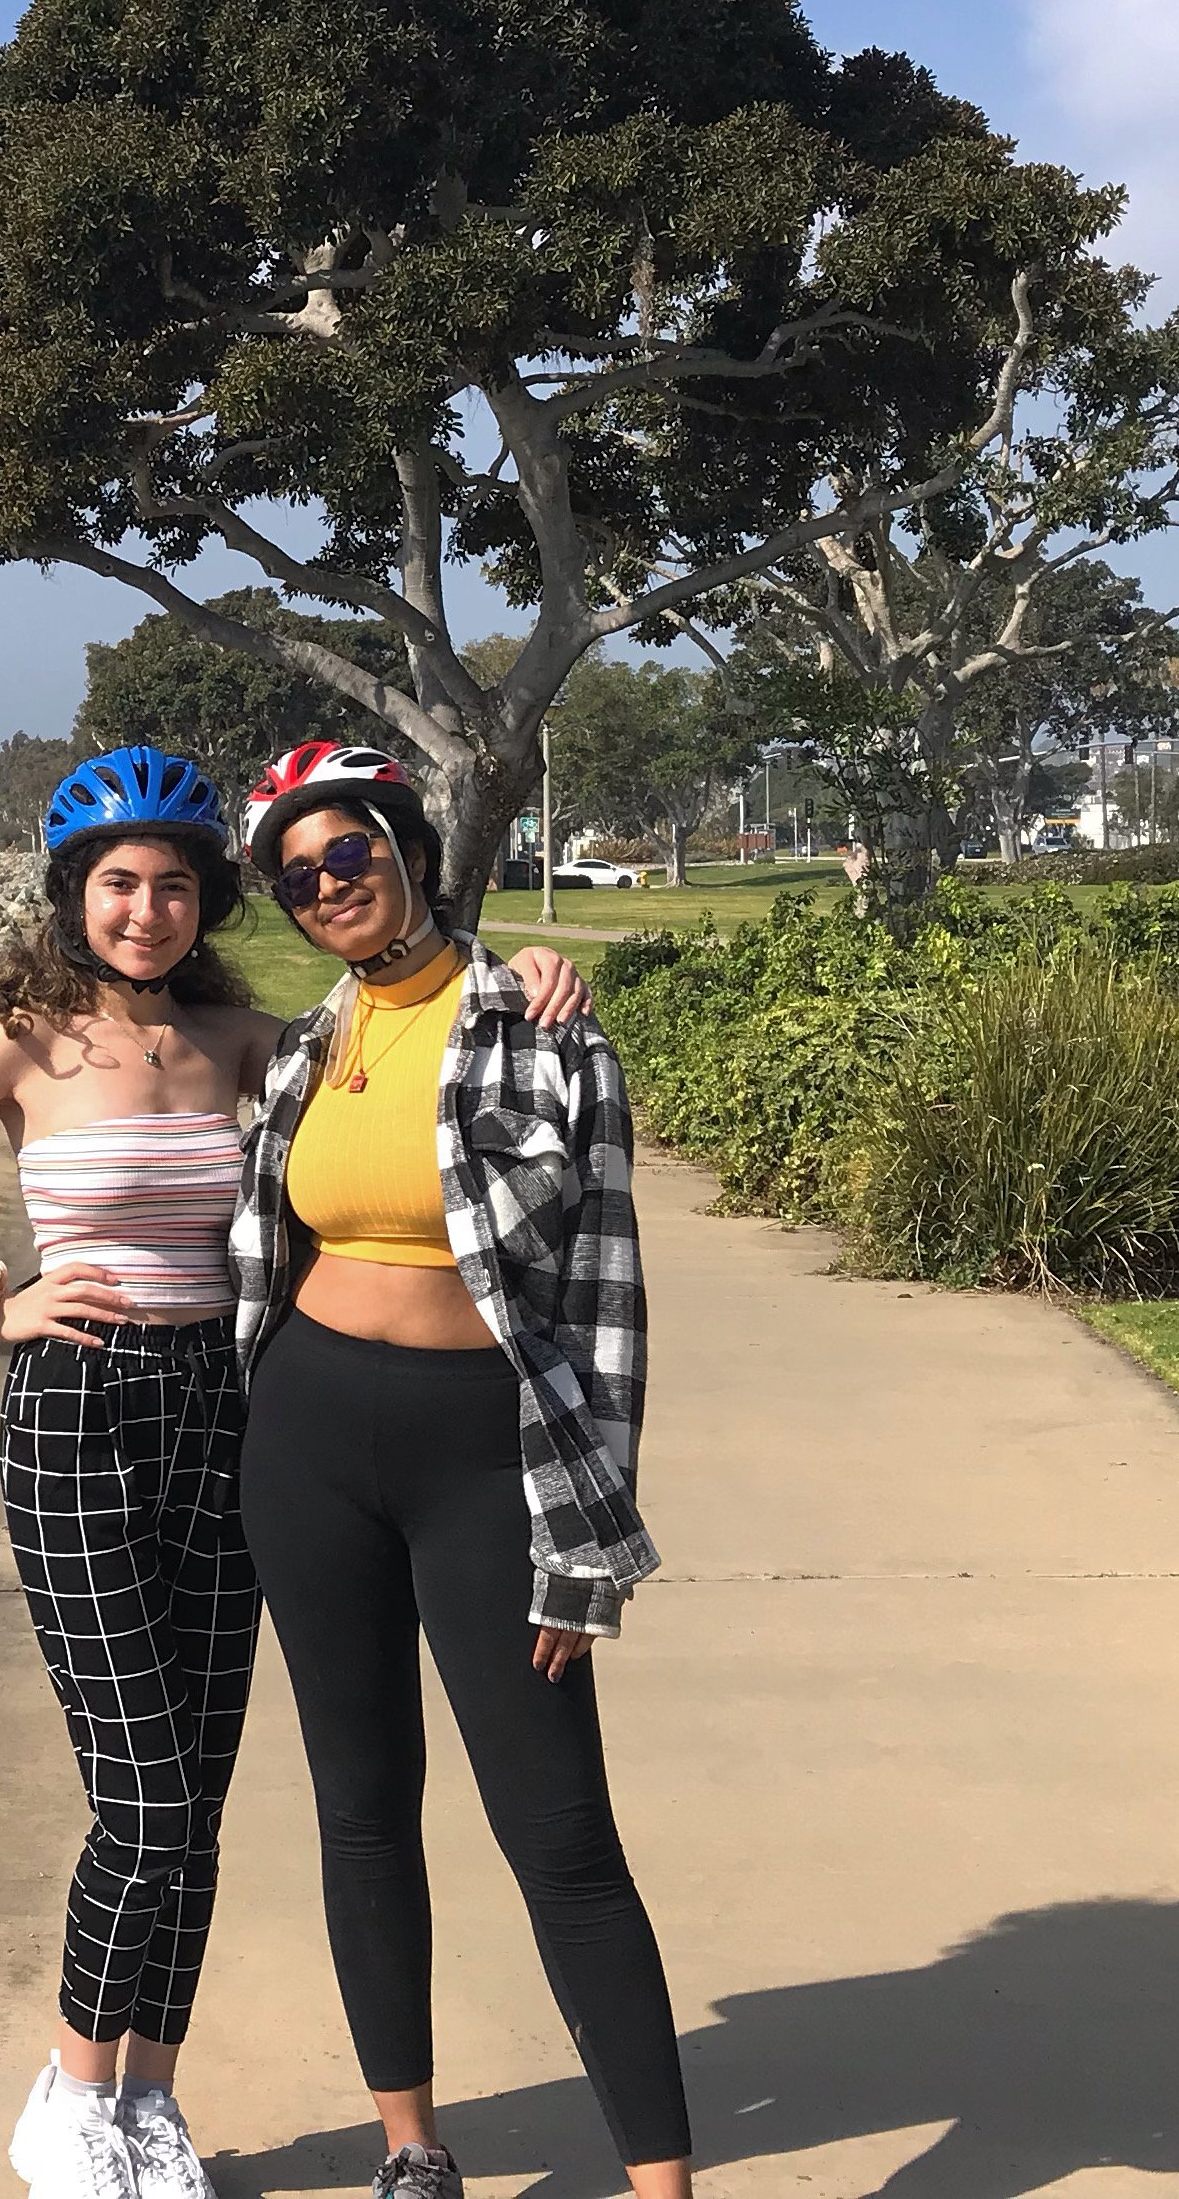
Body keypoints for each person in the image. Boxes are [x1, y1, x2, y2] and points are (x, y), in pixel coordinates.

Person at [0, 745, 587, 2199]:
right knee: (146, 1799)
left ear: (207, 900)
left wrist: (525, 974)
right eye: (118, 886)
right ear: (73, 896)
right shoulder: (24, 1041)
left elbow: (398, 1041)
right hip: (75, 1419)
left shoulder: (242, 1038)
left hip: (224, 1415)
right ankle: (69, 2092)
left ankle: (148, 2101)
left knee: (203, 1794)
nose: (145, 912)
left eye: (173, 887)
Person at [228, 738, 693, 2199]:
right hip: (304, 1439)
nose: (329, 889)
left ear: (412, 852)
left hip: (483, 1451)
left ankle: (664, 2183)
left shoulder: (544, 1027)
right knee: (360, 1803)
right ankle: (410, 2144)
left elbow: (606, 1300)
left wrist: (585, 1545)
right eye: (298, 877)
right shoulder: (308, 1044)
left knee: (558, 1826)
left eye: (350, 854)